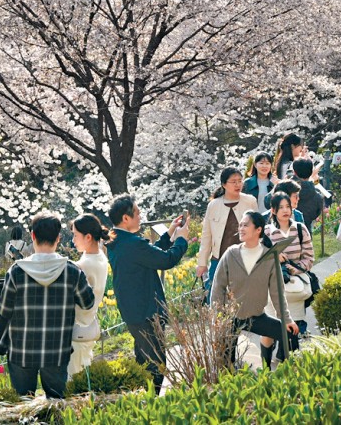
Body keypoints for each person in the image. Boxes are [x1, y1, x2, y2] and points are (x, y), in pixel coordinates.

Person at [0, 212, 95, 399]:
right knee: (57, 403)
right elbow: (88, 303)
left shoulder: (16, 271)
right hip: (56, 351)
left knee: (23, 404)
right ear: (58, 238)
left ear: (32, 236)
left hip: (21, 351)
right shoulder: (72, 271)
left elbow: (4, 310)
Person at [105, 195, 189, 392]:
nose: (140, 216)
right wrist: (182, 239)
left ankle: (144, 400)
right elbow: (166, 260)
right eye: (137, 213)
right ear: (126, 218)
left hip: (134, 311)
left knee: (144, 361)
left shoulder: (117, 241)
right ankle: (151, 404)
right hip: (146, 312)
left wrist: (169, 233)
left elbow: (149, 255)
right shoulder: (132, 243)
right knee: (156, 364)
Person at [211, 211, 299, 369]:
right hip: (231, 318)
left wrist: (286, 319)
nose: (241, 228)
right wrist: (218, 318)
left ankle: (269, 371)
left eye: (245, 225)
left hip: (257, 317)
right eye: (240, 225)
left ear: (258, 230)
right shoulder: (231, 254)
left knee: (290, 335)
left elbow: (277, 293)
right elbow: (218, 288)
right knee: (225, 364)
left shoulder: (269, 257)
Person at [263, 192, 315, 350]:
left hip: (295, 286)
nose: (285, 210)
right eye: (281, 207)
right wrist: (274, 257)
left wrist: (295, 269)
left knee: (294, 326)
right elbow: (259, 259)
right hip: (273, 286)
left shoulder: (300, 228)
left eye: (288, 206)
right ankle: (271, 356)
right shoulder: (267, 232)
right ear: (273, 210)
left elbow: (309, 257)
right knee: (272, 327)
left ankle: (288, 355)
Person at [198, 167, 259, 296]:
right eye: (233, 181)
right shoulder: (214, 205)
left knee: (244, 297)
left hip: (245, 258)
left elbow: (258, 231)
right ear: (224, 184)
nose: (238, 185)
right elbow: (206, 236)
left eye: (240, 181)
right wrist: (202, 263)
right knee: (215, 298)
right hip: (219, 259)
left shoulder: (250, 201)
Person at [68, 214, 110, 377]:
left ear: (88, 237)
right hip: (88, 325)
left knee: (74, 380)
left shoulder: (84, 265)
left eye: (75, 235)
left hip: (78, 330)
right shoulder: (99, 256)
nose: (73, 240)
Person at [289, 157, 324, 231]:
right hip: (306, 231)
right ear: (311, 172)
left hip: (284, 232)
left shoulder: (285, 189)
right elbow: (316, 214)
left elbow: (268, 202)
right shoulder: (317, 196)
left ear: (294, 172)